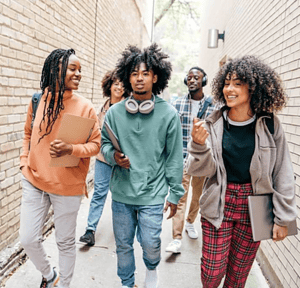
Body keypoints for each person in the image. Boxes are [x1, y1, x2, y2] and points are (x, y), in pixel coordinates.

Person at [186, 55, 297, 288]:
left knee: (238, 277)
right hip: (219, 200)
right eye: (226, 83)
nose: (230, 89)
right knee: (212, 272)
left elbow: (282, 173)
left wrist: (283, 218)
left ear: (253, 87)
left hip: (256, 205)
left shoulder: (270, 125)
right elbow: (200, 170)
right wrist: (198, 145)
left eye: (237, 83)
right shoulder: (212, 123)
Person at [101, 43, 185, 288]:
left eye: (145, 73)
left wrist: (175, 193)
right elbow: (104, 145)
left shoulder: (168, 114)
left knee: (151, 243)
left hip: (153, 193)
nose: (139, 78)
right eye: (134, 73)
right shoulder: (114, 113)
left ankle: (151, 270)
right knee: (124, 244)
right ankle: (127, 283)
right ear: (128, 77)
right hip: (122, 192)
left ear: (155, 76)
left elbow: (174, 158)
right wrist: (113, 156)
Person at [19, 49, 101, 288]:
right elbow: (27, 133)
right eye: (73, 68)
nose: (78, 74)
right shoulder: (37, 100)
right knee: (28, 238)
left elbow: (95, 145)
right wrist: (24, 160)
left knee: (64, 242)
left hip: (67, 186)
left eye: (80, 70)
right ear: (56, 70)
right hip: (33, 179)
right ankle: (49, 275)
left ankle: (63, 284)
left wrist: (71, 149)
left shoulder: (84, 107)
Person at [166, 66, 217, 254]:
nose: (192, 80)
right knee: (180, 196)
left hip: (201, 159)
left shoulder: (214, 106)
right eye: (189, 77)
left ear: (204, 81)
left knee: (197, 195)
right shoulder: (176, 104)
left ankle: (190, 222)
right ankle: (176, 238)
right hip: (181, 158)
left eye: (196, 77)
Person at [79, 69, 127, 246]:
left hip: (121, 160)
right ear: (109, 85)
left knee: (119, 195)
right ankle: (90, 231)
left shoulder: (128, 107)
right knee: (99, 193)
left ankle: (123, 230)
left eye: (122, 84)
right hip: (102, 160)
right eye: (116, 83)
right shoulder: (101, 110)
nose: (119, 87)